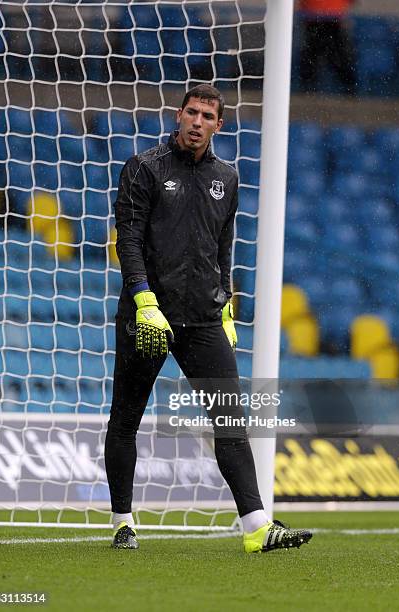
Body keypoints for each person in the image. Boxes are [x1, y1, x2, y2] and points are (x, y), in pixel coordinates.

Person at [105, 83, 313, 553]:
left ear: (220, 125)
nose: (197, 122)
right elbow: (129, 241)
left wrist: (228, 305)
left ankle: (257, 528)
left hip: (203, 319)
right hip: (149, 317)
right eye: (191, 112)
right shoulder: (144, 169)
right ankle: (122, 522)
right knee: (126, 419)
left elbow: (223, 248)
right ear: (178, 116)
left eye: (207, 116)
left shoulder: (228, 177)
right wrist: (143, 298)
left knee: (232, 423)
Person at [298, 0, 357, 95]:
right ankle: (349, 87)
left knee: (314, 54)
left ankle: (307, 87)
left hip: (320, 17)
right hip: (324, 17)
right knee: (333, 55)